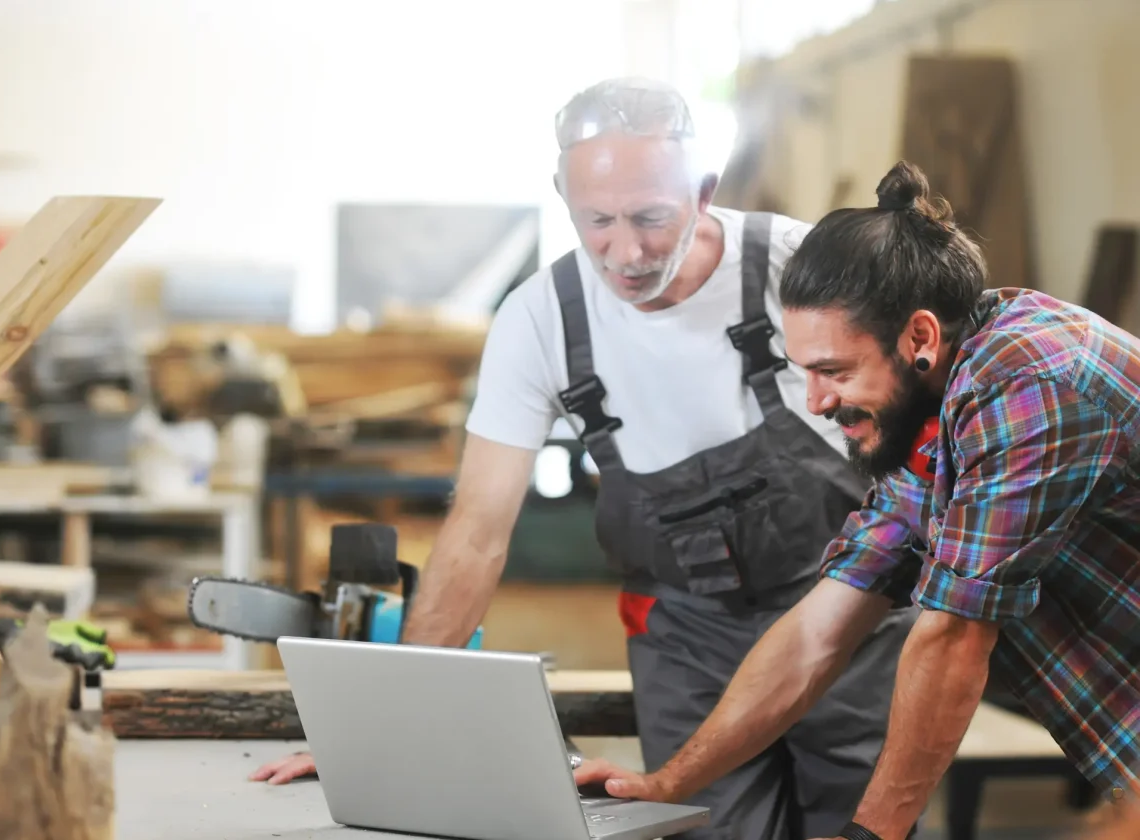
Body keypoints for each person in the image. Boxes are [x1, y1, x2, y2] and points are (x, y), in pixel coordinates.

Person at [251, 77, 919, 840]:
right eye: (596, 220)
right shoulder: (541, 319)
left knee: (865, 827)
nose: (625, 253)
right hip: (691, 642)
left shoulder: (798, 267)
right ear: (562, 193)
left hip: (848, 613)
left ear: (702, 192)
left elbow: (916, 442)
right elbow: (476, 531)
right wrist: (383, 734)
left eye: (651, 219)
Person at [573, 159, 1140, 840]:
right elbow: (820, 629)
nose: (816, 402)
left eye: (834, 371)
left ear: (920, 338)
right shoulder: (938, 412)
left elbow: (953, 635)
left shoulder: (1035, 385)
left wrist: (870, 835)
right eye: (804, 373)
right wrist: (666, 783)